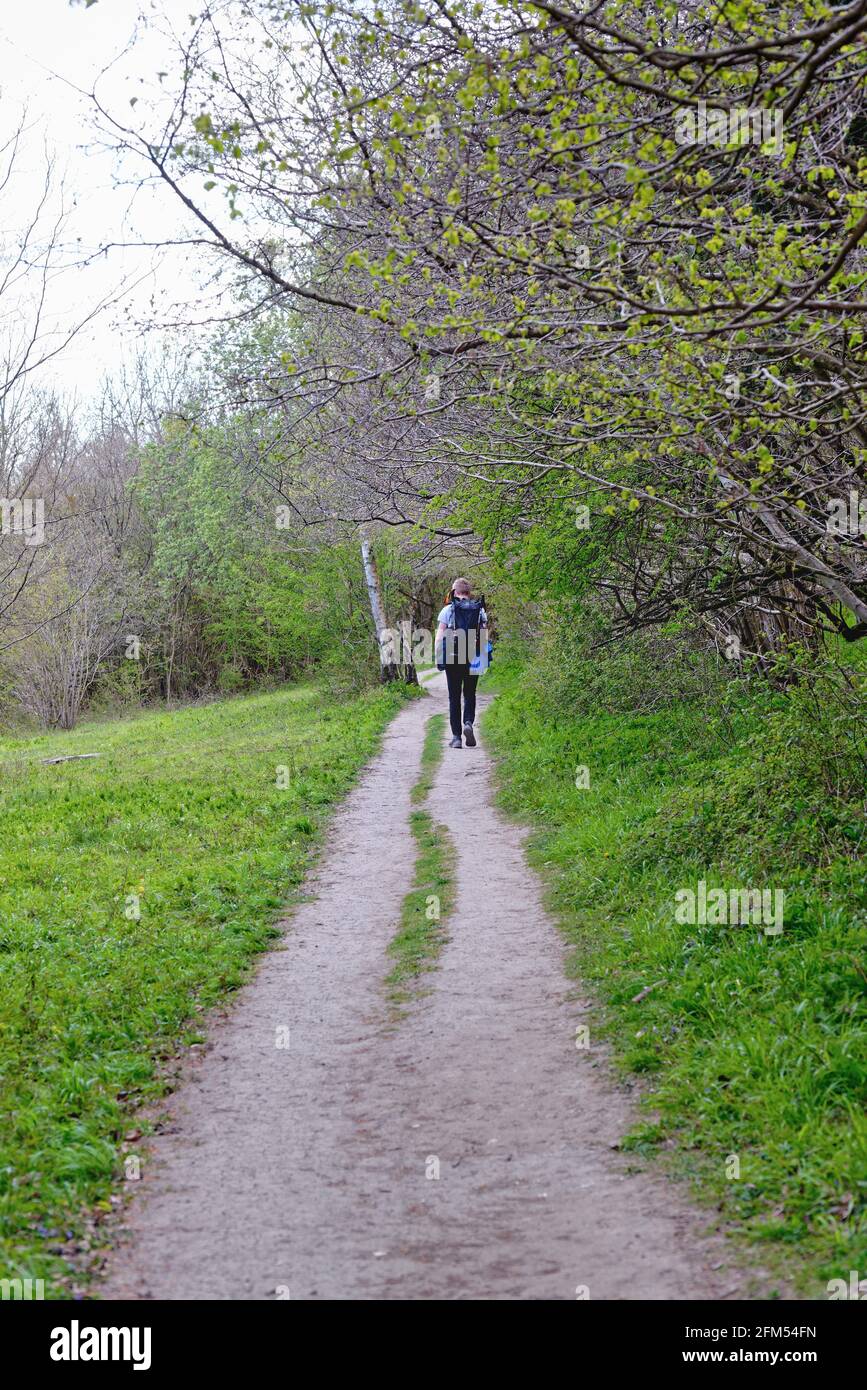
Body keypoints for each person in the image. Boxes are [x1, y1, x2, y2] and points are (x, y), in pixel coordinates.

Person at [435, 578, 489, 748]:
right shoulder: (479, 610)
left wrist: (438, 656)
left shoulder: (448, 610)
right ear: (468, 592)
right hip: (473, 654)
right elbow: (484, 636)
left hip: (452, 653)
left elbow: (440, 636)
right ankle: (468, 723)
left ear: (454, 591)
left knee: (454, 697)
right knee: (470, 693)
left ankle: (457, 737)